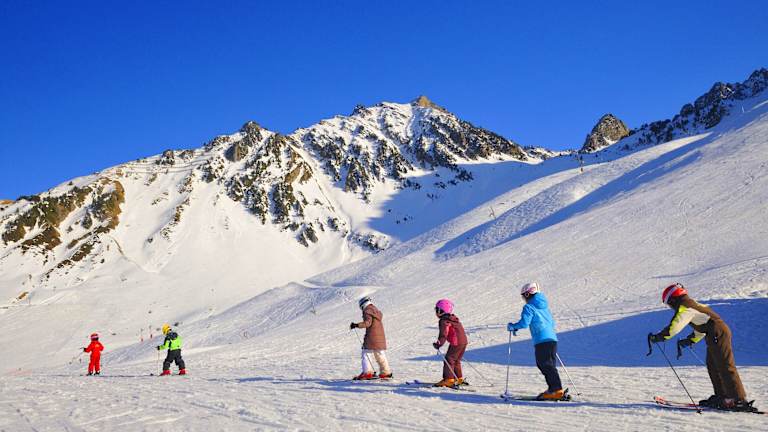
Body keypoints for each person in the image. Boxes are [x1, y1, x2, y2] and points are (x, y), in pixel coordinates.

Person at [649, 283, 752, 411]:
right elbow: (703, 326)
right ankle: (722, 396)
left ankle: (738, 399)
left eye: (669, 304)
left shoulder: (685, 307)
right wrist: (689, 340)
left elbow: (674, 327)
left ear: (673, 299)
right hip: (714, 333)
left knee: (724, 364)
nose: (670, 307)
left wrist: (658, 337)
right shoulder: (692, 305)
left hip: (717, 332)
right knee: (713, 365)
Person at [507, 282, 565, 400]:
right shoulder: (545, 307)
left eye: (524, 296)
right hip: (552, 339)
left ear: (528, 294)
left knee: (544, 364)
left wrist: (513, 326)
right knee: (549, 365)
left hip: (542, 340)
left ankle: (555, 390)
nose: (524, 299)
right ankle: (555, 389)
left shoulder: (529, 307)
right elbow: (552, 323)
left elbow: (524, 323)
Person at [350, 296, 392, 380]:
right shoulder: (375, 310)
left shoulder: (367, 311)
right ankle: (386, 372)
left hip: (372, 337)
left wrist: (356, 325)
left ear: (362, 304)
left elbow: (367, 323)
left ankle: (367, 372)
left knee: (366, 353)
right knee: (380, 353)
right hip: (380, 337)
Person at [432, 299, 468, 387]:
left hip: (456, 342)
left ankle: (448, 379)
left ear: (441, 311)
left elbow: (444, 334)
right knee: (456, 360)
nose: (436, 312)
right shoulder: (453, 319)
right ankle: (458, 378)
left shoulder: (444, 321)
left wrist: (439, 343)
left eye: (436, 309)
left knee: (449, 359)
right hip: (463, 342)